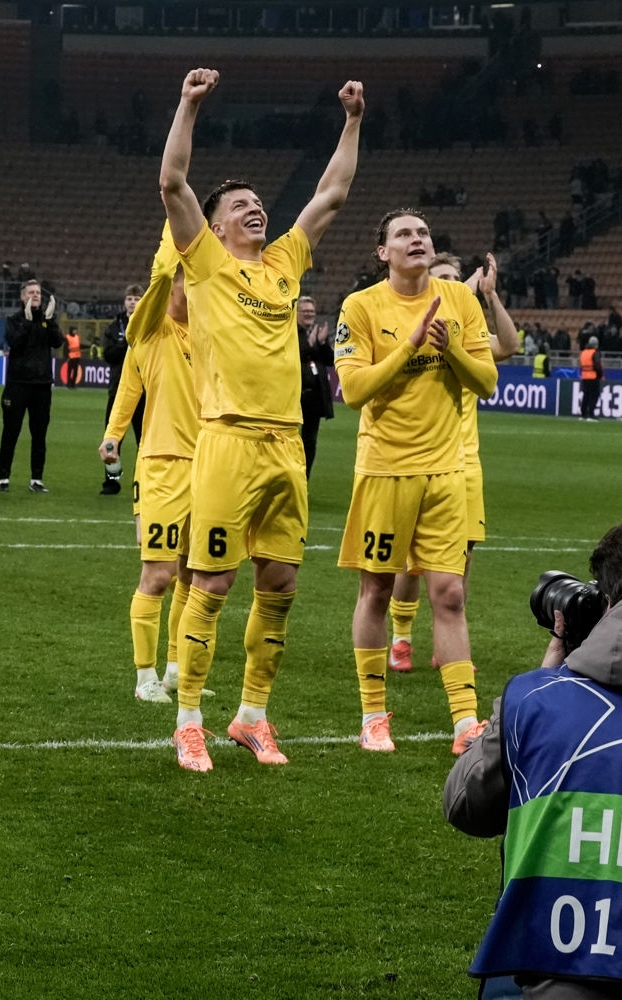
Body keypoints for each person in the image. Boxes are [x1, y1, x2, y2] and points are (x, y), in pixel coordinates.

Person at [159, 67, 363, 772]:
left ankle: (251, 716)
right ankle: (189, 720)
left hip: (286, 448)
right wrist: (189, 106)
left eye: (257, 203)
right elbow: (173, 183)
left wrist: (353, 121)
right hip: (227, 440)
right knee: (210, 584)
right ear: (213, 226)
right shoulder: (207, 262)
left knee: (279, 583)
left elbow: (332, 192)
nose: (255, 209)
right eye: (241, 204)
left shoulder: (284, 264)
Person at [333, 211, 498, 755]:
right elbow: (354, 391)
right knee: (377, 590)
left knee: (449, 594)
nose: (417, 240)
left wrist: (449, 347)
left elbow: (488, 380)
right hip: (385, 472)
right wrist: (409, 346)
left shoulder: (463, 302)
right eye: (403, 234)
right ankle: (374, 715)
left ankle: (464, 721)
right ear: (382, 252)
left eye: (423, 233)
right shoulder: (360, 307)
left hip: (447, 473)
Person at [444, 525, 622, 999]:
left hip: (546, 971)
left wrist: (544, 681)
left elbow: (464, 805)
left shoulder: (536, 702)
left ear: (605, 603)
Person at [386, 251, 520, 673]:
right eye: (441, 278)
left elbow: (510, 346)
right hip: (419, 458)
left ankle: (447, 644)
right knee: (411, 561)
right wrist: (457, 292)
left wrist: (490, 295)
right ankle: (401, 638)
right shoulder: (413, 330)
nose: (449, 285)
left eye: (453, 278)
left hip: (466, 465)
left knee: (461, 558)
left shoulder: (469, 340)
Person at [100, 226, 196, 706]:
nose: (193, 292)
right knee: (157, 576)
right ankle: (144, 678)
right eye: (187, 283)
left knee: (192, 574)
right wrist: (113, 435)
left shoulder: (209, 332)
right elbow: (128, 388)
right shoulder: (151, 327)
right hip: (162, 466)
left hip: (211, 466)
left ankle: (177, 669)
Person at [0, 279, 61, 493]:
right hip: (17, 385)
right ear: (22, 296)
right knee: (10, 432)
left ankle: (37, 479)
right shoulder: (14, 319)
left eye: (38, 293)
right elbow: (15, 342)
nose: (36, 295)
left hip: (42, 385)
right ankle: (3, 478)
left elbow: (57, 342)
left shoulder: (46, 318)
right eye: (31, 292)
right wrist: (27, 319)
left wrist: (50, 320)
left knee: (39, 434)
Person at [99, 286, 146, 495]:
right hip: (118, 390)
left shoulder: (150, 323)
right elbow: (108, 355)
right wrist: (127, 341)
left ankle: (144, 482)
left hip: (146, 392)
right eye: (129, 298)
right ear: (124, 302)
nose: (133, 302)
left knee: (144, 440)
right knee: (113, 439)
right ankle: (112, 481)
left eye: (137, 298)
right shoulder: (113, 327)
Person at [297, 295, 334, 476]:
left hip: (314, 398)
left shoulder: (317, 332)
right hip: (296, 396)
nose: (309, 314)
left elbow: (330, 361)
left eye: (311, 311)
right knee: (290, 439)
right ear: (296, 313)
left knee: (310, 440)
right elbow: (296, 358)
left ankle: (304, 479)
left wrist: (321, 343)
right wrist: (311, 346)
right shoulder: (290, 333)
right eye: (305, 311)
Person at [579, 335, 604, 421]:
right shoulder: (595, 352)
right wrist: (600, 375)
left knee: (586, 395)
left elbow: (581, 366)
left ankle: (583, 414)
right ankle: (591, 414)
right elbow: (597, 365)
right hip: (593, 376)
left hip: (584, 376)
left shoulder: (583, 352)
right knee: (594, 395)